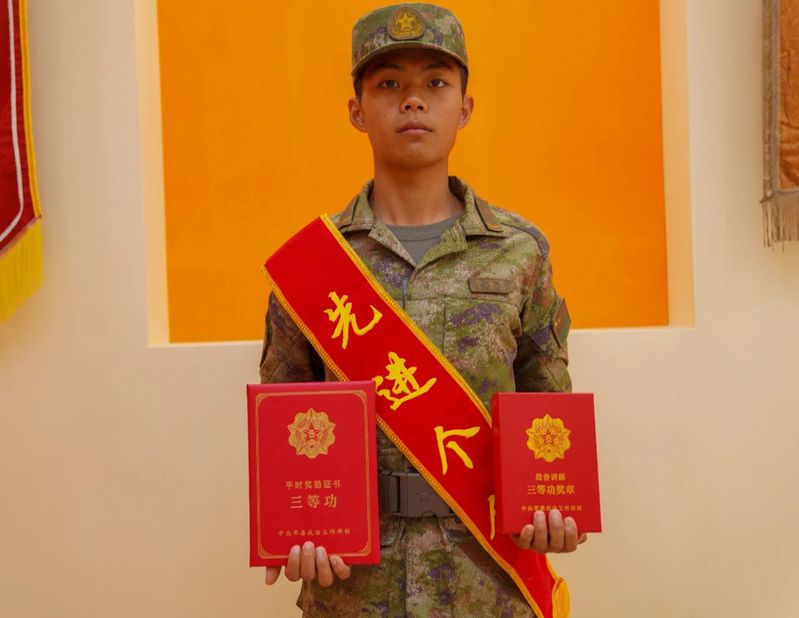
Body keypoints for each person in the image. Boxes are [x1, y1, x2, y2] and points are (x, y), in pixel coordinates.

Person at [258, 4, 586, 615]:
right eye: (389, 84)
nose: (413, 100)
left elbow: (546, 406)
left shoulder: (521, 251)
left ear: (464, 108)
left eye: (436, 82)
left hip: (488, 582)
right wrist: (297, 531)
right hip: (354, 590)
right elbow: (286, 430)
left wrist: (555, 506)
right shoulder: (313, 265)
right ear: (357, 111)